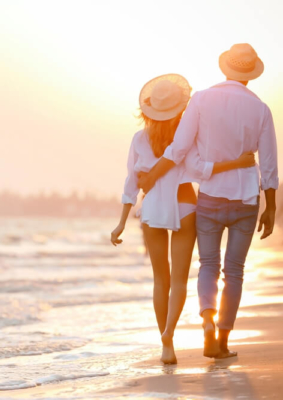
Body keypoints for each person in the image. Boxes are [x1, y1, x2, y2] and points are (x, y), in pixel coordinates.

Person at [138, 44, 279, 359]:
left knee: (209, 265)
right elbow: (269, 164)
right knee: (235, 270)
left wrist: (150, 177)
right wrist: (271, 207)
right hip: (246, 198)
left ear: (224, 68)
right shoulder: (261, 110)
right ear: (250, 74)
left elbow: (178, 149)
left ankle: (206, 322)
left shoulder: (201, 99)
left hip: (211, 197)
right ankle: (223, 340)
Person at [110, 74, 255, 364]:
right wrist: (238, 162)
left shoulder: (139, 139)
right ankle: (169, 330)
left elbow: (131, 182)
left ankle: (167, 345)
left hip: (151, 210)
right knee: (179, 281)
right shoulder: (189, 136)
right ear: (181, 108)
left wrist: (122, 221)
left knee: (159, 280)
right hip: (186, 205)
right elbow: (201, 169)